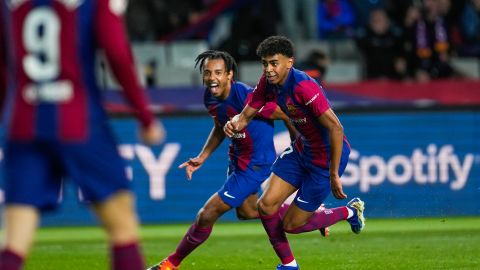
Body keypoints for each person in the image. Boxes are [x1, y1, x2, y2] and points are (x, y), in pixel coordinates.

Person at [0, 1, 164, 270]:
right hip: (79, 122)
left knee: (15, 238)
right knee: (122, 224)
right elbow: (117, 53)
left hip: (23, 124)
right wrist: (145, 116)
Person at [146, 50, 328, 270]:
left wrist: (295, 141)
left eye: (218, 72)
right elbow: (219, 126)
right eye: (207, 73)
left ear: (230, 74)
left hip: (255, 164)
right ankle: (312, 214)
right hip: (238, 159)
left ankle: (171, 263)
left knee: (207, 213)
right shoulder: (210, 97)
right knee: (248, 212)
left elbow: (283, 112)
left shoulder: (244, 95)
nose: (212, 78)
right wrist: (202, 156)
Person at [224, 36, 366, 270]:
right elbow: (247, 114)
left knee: (292, 224)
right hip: (302, 150)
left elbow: (336, 128)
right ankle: (289, 265)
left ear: (289, 62)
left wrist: (334, 175)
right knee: (265, 206)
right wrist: (235, 123)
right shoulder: (267, 83)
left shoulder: (303, 86)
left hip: (325, 160)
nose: (268, 69)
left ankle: (349, 211)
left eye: (274, 63)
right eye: (264, 64)